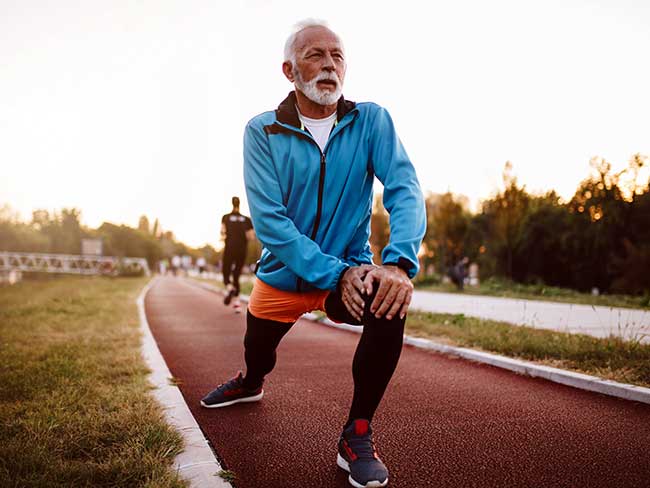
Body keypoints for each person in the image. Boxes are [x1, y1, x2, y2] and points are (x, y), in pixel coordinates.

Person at [201, 20, 426, 488]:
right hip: (282, 278)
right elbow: (272, 225)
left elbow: (404, 188)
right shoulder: (262, 131)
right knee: (258, 351)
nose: (329, 64)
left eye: (337, 55)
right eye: (315, 55)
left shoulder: (371, 121)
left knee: (388, 301)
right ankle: (251, 380)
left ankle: (357, 433)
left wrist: (398, 263)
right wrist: (335, 272)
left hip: (349, 267)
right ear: (289, 69)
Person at [221, 196, 254, 313]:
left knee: (226, 273)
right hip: (242, 250)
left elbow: (222, 232)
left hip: (229, 248)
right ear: (240, 204)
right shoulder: (246, 220)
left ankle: (230, 288)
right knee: (236, 275)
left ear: (231, 203)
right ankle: (237, 304)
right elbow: (250, 236)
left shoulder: (226, 217)